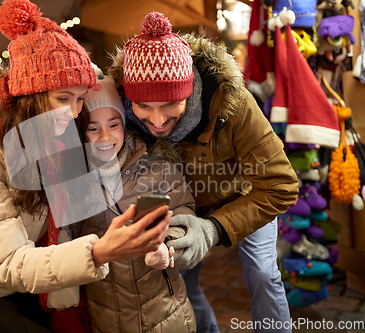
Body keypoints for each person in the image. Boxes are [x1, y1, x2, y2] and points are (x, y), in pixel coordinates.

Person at [0, 2, 171, 333]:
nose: (75, 112)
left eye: (79, 99)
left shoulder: (53, 131)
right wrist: (100, 251)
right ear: (29, 93)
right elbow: (8, 263)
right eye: (64, 98)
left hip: (37, 278)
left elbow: (72, 219)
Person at [108, 12, 299, 333]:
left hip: (246, 197)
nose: (156, 120)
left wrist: (212, 230)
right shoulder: (119, 114)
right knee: (180, 278)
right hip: (183, 206)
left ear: (189, 89)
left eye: (170, 103)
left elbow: (280, 185)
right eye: (143, 105)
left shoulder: (233, 103)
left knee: (263, 273)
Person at [75, 64, 196, 332]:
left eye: (113, 124)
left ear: (124, 124)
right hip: (106, 316)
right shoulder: (74, 180)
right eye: (93, 128)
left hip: (165, 312)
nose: (105, 136)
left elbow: (184, 213)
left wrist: (168, 244)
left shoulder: (157, 165)